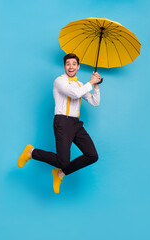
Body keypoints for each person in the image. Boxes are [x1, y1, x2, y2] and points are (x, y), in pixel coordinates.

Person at [18, 53, 102, 194]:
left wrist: (97, 86)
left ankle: (60, 174)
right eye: (68, 64)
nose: (71, 66)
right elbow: (75, 94)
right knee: (63, 161)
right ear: (64, 66)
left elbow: (95, 102)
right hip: (62, 122)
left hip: (76, 123)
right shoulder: (60, 81)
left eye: (74, 64)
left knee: (92, 155)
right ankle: (31, 152)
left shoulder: (80, 84)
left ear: (78, 67)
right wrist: (91, 83)